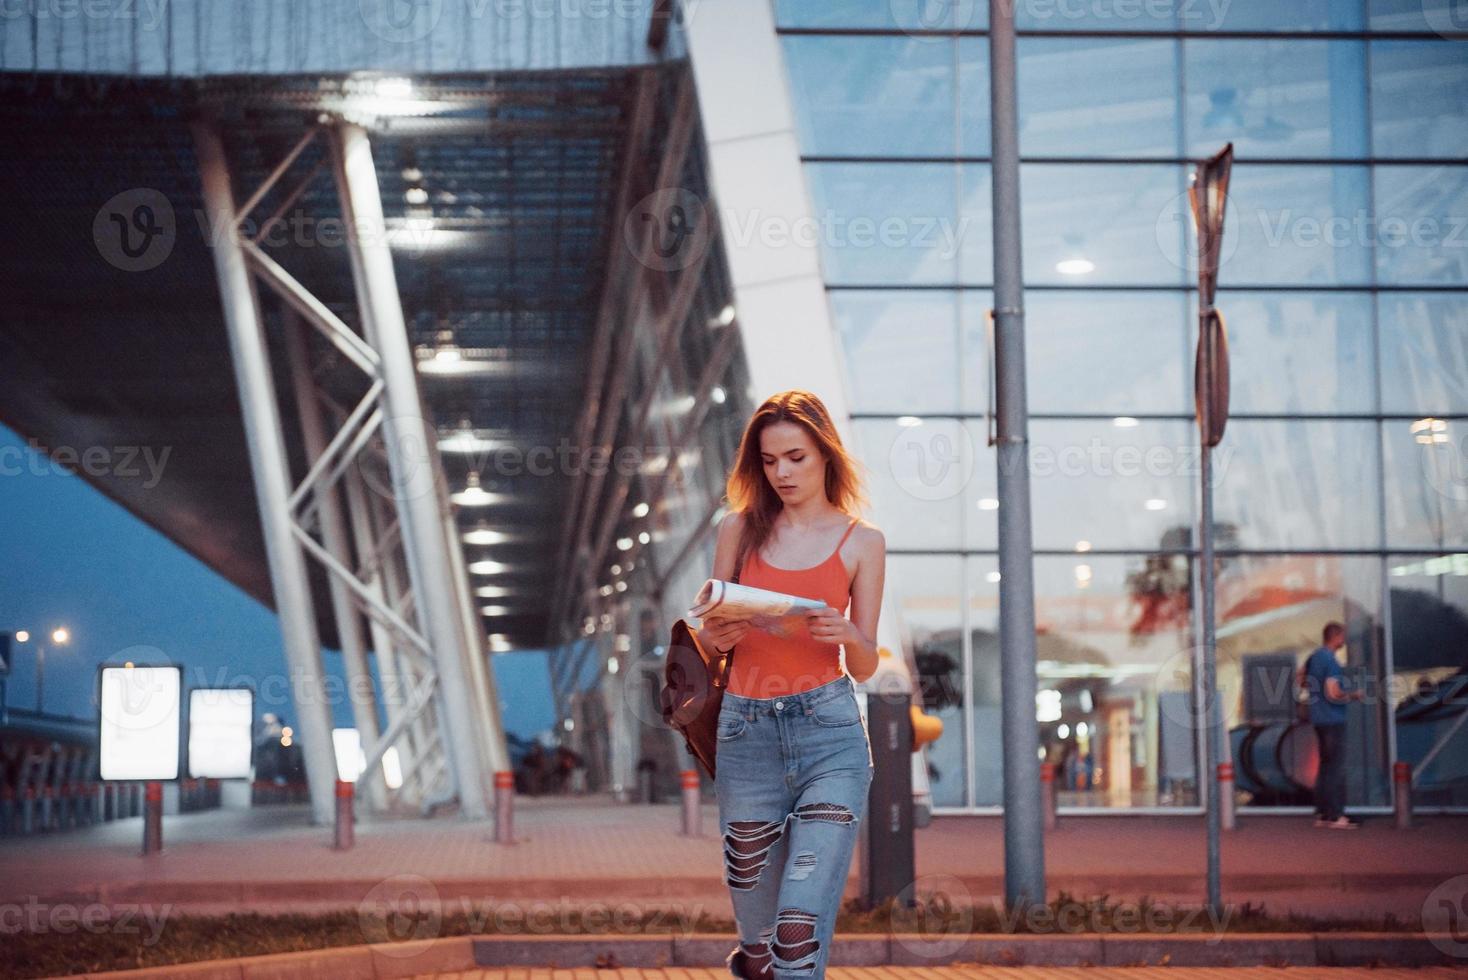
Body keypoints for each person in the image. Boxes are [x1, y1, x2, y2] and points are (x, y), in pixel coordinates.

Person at [698, 390, 885, 980]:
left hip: (829, 739)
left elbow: (865, 665)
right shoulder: (739, 531)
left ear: (826, 455)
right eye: (770, 460)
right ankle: (754, 961)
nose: (781, 472)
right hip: (746, 736)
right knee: (761, 947)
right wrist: (718, 637)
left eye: (796, 457)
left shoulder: (863, 543)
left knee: (797, 929)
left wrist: (848, 633)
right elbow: (709, 634)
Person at [1302, 621, 1365, 829]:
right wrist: (1354, 695)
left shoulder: (1314, 657)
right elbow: (1334, 692)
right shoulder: (1330, 661)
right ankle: (1336, 814)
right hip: (1333, 719)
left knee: (1325, 766)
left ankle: (1323, 813)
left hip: (1319, 718)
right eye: (1342, 636)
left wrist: (1313, 692)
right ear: (1335, 636)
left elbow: (1300, 677)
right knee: (1335, 768)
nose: (1344, 640)